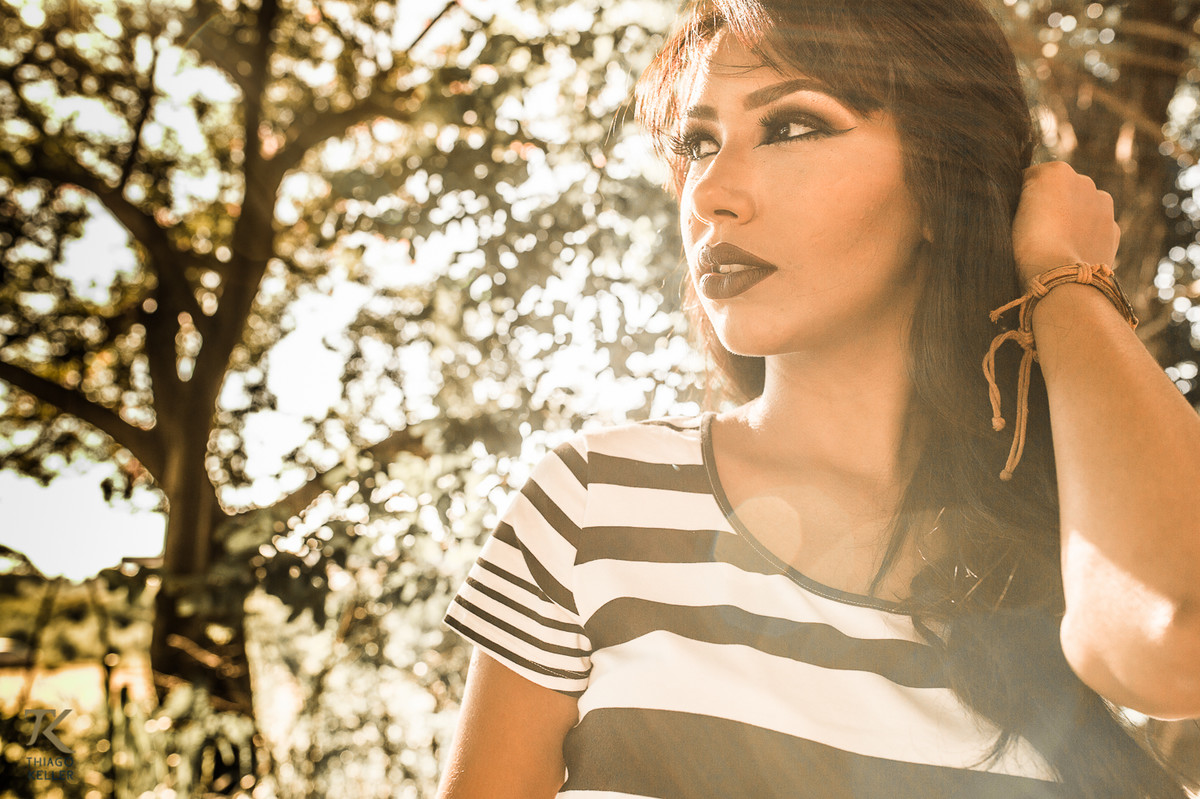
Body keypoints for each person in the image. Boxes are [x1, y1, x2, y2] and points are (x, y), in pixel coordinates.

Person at [436, 0, 1200, 796]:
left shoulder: (1082, 558)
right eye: (699, 143)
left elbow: (1176, 637)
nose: (710, 195)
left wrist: (1063, 277)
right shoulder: (596, 506)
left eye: (792, 126)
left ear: (945, 179)